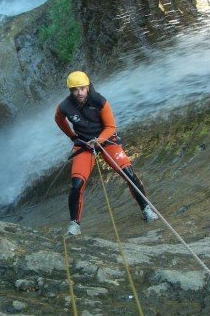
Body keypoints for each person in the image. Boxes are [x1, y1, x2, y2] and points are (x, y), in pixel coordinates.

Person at [54, 71, 158, 237]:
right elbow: (58, 119)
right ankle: (75, 224)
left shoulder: (100, 101)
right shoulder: (65, 106)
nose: (79, 92)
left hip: (107, 141)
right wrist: (73, 137)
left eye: (82, 88)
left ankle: (146, 208)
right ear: (70, 91)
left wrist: (99, 140)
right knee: (76, 184)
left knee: (129, 173)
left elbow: (110, 127)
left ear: (88, 87)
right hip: (84, 145)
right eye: (75, 89)